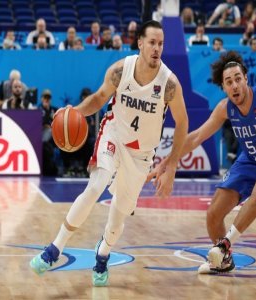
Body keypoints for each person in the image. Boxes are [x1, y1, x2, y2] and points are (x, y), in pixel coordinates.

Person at [29, 20, 189, 286]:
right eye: (151, 42)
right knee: (96, 185)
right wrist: (73, 113)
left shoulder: (170, 83)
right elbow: (98, 99)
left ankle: (102, 254)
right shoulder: (120, 70)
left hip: (141, 154)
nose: (156, 48)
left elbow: (183, 122)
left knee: (120, 212)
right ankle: (54, 249)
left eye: (160, 44)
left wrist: (171, 165)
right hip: (114, 134)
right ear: (139, 42)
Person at [148, 51, 256, 274]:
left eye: (238, 79)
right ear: (224, 88)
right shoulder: (225, 108)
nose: (234, 85)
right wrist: (167, 162)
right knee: (213, 214)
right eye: (229, 82)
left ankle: (224, 245)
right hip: (250, 162)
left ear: (246, 78)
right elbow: (196, 137)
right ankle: (224, 262)